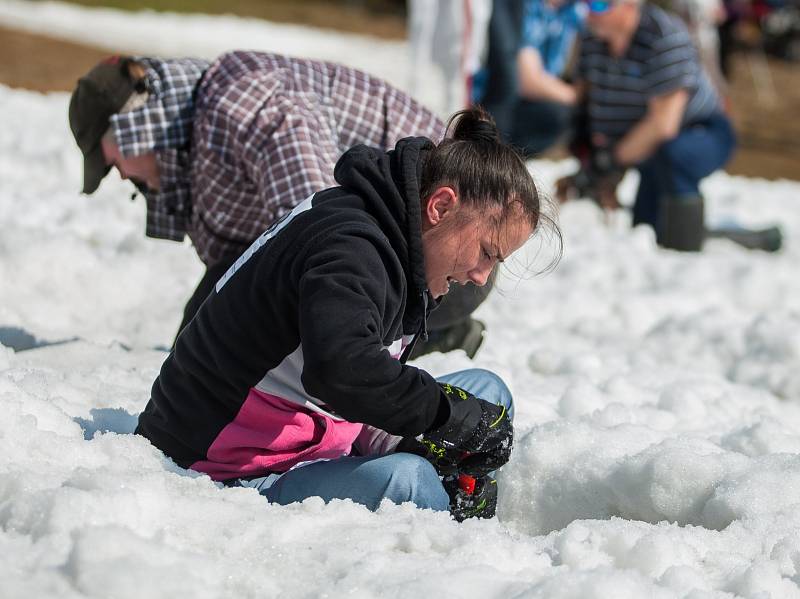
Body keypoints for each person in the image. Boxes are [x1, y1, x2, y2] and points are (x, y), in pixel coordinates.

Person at [135, 107, 559, 521]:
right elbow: (342, 372)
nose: (482, 276)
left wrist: (454, 434)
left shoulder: (405, 244)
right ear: (441, 206)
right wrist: (445, 417)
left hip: (324, 432)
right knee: (409, 483)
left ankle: (451, 506)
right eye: (486, 252)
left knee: (488, 395)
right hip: (232, 468)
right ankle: (452, 553)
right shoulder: (350, 246)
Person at [68, 51, 489, 357]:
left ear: (137, 127)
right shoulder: (202, 126)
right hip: (391, 258)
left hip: (448, 260)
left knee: (260, 357)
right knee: (199, 345)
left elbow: (321, 222)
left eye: (112, 161)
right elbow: (235, 262)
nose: (121, 176)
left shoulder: (245, 103)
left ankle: (421, 338)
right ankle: (419, 335)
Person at [556, 0, 738, 251]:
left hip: (700, 132)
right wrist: (586, 154)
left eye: (599, 4)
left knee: (676, 156)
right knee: (645, 228)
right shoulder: (591, 39)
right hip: (643, 146)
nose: (588, 11)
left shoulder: (663, 36)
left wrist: (608, 161)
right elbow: (583, 97)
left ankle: (683, 250)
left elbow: (663, 124)